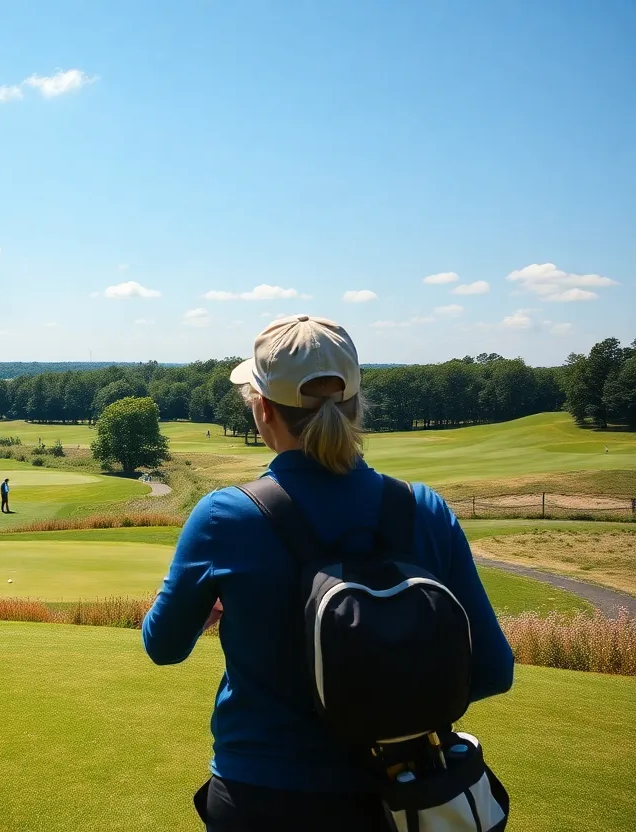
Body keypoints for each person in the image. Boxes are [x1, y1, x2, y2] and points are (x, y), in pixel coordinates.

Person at [142, 314, 514, 832]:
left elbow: (162, 645)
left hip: (262, 797)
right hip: (404, 797)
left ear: (263, 410)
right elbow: (495, 670)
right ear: (357, 404)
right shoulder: (424, 508)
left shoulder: (225, 516)